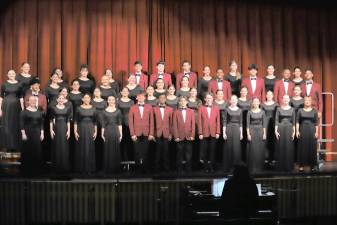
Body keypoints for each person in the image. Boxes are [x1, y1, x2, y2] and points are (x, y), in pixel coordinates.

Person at [128, 92, 154, 172]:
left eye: (142, 97)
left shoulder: (149, 107)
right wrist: (132, 134)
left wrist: (151, 133)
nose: (141, 98)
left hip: (146, 132)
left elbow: (152, 121)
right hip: (136, 133)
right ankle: (137, 168)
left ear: (145, 98)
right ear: (136, 98)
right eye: (139, 97)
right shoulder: (132, 107)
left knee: (146, 151)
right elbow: (130, 122)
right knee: (137, 151)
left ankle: (145, 168)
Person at [0, 70, 24, 151]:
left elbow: (21, 97)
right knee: (7, 125)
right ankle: (7, 146)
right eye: (9, 74)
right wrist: (0, 109)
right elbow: (1, 97)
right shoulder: (4, 84)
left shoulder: (20, 84)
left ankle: (15, 146)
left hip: (16, 107)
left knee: (15, 125)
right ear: (7, 75)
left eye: (13, 73)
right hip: (6, 106)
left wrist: (23, 108)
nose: (11, 75)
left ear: (15, 74)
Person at [20, 96, 44, 175]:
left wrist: (42, 133)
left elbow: (41, 123)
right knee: (28, 150)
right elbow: (21, 123)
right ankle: (27, 170)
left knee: (36, 150)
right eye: (31, 100)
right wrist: (23, 133)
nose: (33, 102)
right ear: (28, 102)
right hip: (28, 132)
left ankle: (36, 170)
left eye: (34, 100)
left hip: (37, 133)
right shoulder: (24, 112)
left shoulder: (39, 112)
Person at [74, 93, 97, 174]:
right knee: (81, 147)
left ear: (90, 99)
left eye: (88, 98)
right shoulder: (78, 108)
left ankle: (89, 168)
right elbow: (76, 121)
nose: (87, 99)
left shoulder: (94, 108)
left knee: (89, 147)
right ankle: (81, 168)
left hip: (90, 129)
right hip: (81, 128)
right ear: (82, 99)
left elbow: (95, 121)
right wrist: (75, 131)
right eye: (85, 98)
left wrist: (96, 131)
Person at [198, 93, 220, 172]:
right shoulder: (201, 108)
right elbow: (200, 121)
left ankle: (211, 167)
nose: (209, 100)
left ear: (212, 99)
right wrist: (200, 133)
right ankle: (205, 167)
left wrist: (218, 132)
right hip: (204, 132)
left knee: (212, 150)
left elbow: (218, 121)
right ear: (205, 99)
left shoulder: (216, 108)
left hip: (214, 132)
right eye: (207, 98)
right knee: (205, 151)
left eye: (210, 98)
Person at [49, 94, 71, 173]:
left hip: (64, 128)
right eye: (60, 99)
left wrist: (69, 131)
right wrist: (51, 130)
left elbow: (68, 120)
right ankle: (56, 166)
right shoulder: (53, 108)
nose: (61, 100)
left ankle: (64, 166)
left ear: (64, 100)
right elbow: (51, 120)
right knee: (57, 145)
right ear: (57, 100)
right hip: (57, 128)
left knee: (64, 146)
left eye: (63, 99)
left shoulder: (67, 108)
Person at [172, 96, 195, 172]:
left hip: (189, 136)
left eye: (184, 101)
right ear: (179, 102)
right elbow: (174, 125)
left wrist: (192, 135)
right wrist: (176, 136)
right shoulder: (176, 112)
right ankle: (179, 169)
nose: (183, 102)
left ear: (187, 102)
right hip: (179, 136)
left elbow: (193, 124)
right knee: (179, 153)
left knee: (189, 154)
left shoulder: (191, 111)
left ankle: (188, 169)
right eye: (181, 101)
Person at [296, 96, 319, 172]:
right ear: (304, 101)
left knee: (312, 148)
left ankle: (312, 166)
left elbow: (316, 123)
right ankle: (301, 166)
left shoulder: (314, 111)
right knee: (302, 148)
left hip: (312, 130)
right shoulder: (300, 110)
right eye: (306, 100)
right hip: (302, 130)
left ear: (311, 101)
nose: (307, 101)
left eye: (309, 100)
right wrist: (297, 131)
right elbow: (297, 122)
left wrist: (317, 132)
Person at [101, 96, 123, 173]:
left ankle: (116, 168)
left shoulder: (118, 111)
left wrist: (121, 134)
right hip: (107, 130)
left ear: (114, 101)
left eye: (112, 100)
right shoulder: (104, 111)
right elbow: (103, 124)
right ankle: (108, 168)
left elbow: (120, 124)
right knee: (107, 148)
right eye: (109, 100)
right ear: (107, 101)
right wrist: (102, 134)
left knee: (115, 148)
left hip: (115, 130)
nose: (111, 101)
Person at [275, 95, 295, 172]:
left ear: (289, 100)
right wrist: (275, 131)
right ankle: (280, 166)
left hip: (289, 129)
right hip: (281, 128)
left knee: (288, 147)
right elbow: (276, 120)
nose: (286, 100)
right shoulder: (278, 109)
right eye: (284, 98)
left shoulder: (292, 109)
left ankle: (288, 166)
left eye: (287, 98)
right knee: (281, 146)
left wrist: (294, 132)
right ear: (282, 100)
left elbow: (293, 122)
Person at [153, 94, 173, 172]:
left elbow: (171, 123)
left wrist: (171, 134)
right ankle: (156, 168)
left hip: (166, 132)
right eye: (160, 98)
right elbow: (152, 122)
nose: (162, 99)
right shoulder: (154, 109)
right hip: (157, 133)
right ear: (158, 99)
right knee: (157, 152)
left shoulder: (170, 109)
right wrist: (152, 134)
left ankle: (166, 168)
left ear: (165, 99)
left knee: (166, 151)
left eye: (163, 98)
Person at [223, 95, 243, 171]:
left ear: (237, 101)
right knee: (229, 147)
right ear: (230, 101)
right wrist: (224, 133)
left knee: (236, 148)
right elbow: (224, 121)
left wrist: (241, 133)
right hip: (229, 128)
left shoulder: (240, 110)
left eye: (235, 100)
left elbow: (241, 123)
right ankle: (228, 166)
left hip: (237, 129)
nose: (233, 101)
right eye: (232, 100)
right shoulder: (227, 109)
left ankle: (236, 167)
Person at [247, 98, 266, 173]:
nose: (255, 103)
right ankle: (252, 167)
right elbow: (247, 124)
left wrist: (264, 133)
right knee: (253, 149)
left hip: (260, 131)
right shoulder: (249, 112)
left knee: (259, 150)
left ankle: (259, 167)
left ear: (259, 103)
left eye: (257, 102)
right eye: (254, 101)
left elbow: (264, 124)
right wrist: (248, 134)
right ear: (252, 103)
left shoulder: (262, 112)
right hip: (252, 131)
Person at [117, 87, 134, 162]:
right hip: (120, 124)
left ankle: (130, 161)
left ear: (128, 92)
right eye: (123, 91)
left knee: (129, 143)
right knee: (121, 143)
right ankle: (121, 160)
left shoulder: (132, 102)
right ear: (121, 92)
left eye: (126, 91)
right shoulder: (118, 101)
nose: (125, 92)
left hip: (130, 124)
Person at [262, 90, 278, 166]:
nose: (269, 96)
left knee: (272, 141)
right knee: (265, 141)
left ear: (272, 96)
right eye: (267, 94)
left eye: (270, 94)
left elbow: (277, 116)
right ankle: (265, 158)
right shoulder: (262, 105)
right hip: (265, 124)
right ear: (266, 96)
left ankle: (272, 158)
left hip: (273, 124)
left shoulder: (276, 105)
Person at [237, 86, 251, 162]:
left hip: (247, 123)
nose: (244, 92)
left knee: (246, 140)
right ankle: (239, 158)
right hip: (239, 122)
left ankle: (245, 158)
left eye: (245, 91)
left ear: (247, 92)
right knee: (239, 140)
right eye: (243, 91)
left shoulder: (250, 101)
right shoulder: (237, 101)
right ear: (240, 92)